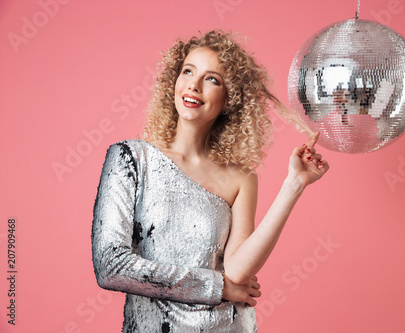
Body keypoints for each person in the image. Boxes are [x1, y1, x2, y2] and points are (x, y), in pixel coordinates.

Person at [91, 30, 329, 333]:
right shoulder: (131, 158)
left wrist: (294, 184)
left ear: (230, 99)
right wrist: (217, 287)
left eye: (212, 79)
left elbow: (238, 271)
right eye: (188, 71)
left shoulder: (241, 178)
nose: (194, 84)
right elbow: (111, 267)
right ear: (173, 81)